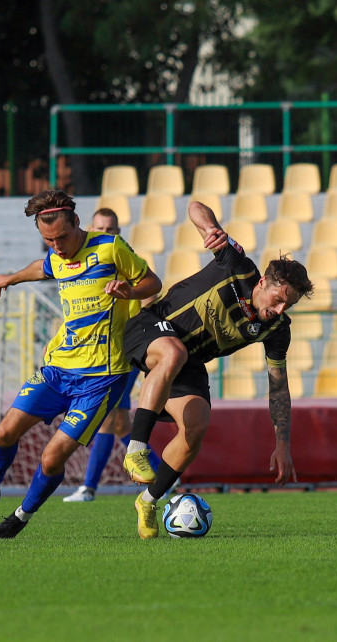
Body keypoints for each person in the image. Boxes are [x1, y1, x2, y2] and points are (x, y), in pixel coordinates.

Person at [0, 191, 161, 538]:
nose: (57, 246)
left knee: (51, 458)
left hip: (102, 378)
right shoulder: (56, 256)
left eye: (62, 237)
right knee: (4, 432)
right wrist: (10, 278)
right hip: (58, 368)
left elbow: (153, 282)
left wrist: (129, 292)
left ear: (77, 223)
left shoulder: (110, 248)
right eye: (48, 240)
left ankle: (20, 518)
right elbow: (42, 268)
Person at [120, 200, 314, 538]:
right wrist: (211, 229)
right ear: (262, 283)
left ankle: (150, 499)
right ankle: (136, 449)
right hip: (151, 328)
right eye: (278, 299)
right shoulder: (237, 267)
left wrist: (282, 442)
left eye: (289, 305)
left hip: (186, 360)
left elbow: (278, 386)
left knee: (196, 427)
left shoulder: (277, 329)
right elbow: (196, 207)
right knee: (173, 351)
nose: (280, 309)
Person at [63, 207, 164, 502]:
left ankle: (89, 487)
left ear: (118, 233)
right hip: (98, 350)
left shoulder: (121, 257)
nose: (107, 234)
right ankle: (165, 478)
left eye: (112, 230)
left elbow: (151, 290)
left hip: (122, 350)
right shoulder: (88, 262)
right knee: (118, 423)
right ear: (91, 230)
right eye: (101, 229)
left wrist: (135, 319)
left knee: (107, 419)